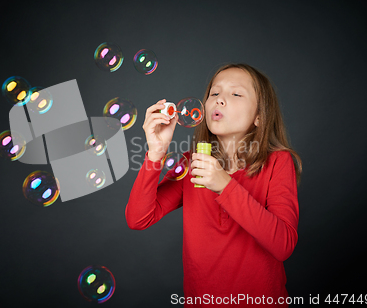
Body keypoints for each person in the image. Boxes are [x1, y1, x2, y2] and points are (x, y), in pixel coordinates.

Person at [125, 63, 302, 307]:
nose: (219, 100)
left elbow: (283, 245)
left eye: (236, 94)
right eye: (214, 93)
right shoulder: (192, 162)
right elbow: (138, 218)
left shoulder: (278, 162)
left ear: (259, 116)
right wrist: (156, 153)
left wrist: (225, 186)